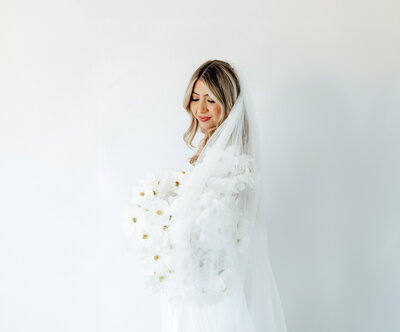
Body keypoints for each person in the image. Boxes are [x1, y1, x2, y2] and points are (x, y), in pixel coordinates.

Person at [159, 59, 288, 332]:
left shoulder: (232, 162)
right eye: (195, 98)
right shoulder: (209, 151)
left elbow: (218, 230)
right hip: (196, 284)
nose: (200, 109)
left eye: (211, 100)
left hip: (212, 288)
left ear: (229, 104)